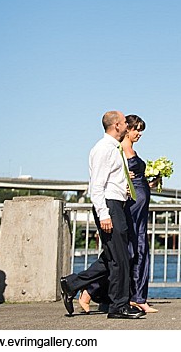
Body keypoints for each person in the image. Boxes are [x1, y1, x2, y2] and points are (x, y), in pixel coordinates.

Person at [59, 111, 145, 319]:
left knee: (112, 256)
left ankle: (72, 284)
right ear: (116, 125)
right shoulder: (102, 149)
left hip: (118, 204)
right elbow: (96, 186)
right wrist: (104, 214)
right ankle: (118, 306)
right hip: (110, 206)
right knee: (119, 259)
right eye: (125, 122)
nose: (127, 124)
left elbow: (112, 180)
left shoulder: (115, 149)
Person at [78, 115, 161, 314]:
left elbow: (123, 180)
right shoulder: (109, 148)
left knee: (127, 254)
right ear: (121, 126)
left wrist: (149, 184)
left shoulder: (119, 150)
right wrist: (104, 213)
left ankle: (126, 299)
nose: (138, 133)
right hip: (122, 207)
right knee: (123, 254)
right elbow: (97, 185)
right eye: (135, 128)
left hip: (132, 206)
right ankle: (92, 291)